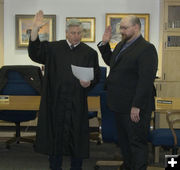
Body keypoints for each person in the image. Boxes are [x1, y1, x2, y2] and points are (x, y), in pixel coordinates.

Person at [28, 10, 100, 170]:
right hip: (56, 103)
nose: (76, 36)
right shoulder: (53, 48)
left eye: (79, 33)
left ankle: (76, 167)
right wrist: (34, 29)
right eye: (73, 33)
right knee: (56, 139)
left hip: (77, 103)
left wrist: (89, 83)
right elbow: (35, 53)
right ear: (67, 33)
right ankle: (55, 167)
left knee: (77, 140)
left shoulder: (90, 53)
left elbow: (96, 76)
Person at [97, 15, 158, 170]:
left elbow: (145, 81)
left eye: (124, 28)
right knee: (124, 142)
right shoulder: (121, 45)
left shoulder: (146, 49)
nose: (121, 31)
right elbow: (112, 63)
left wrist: (137, 106)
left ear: (136, 28)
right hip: (120, 104)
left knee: (136, 143)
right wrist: (105, 44)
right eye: (121, 28)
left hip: (134, 106)